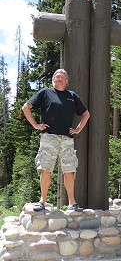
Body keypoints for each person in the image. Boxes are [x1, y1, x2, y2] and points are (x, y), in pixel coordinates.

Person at [22, 69, 90, 212]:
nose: (59, 79)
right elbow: (26, 107)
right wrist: (35, 125)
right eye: (57, 77)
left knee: (69, 170)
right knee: (45, 169)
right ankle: (42, 201)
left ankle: (72, 203)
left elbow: (86, 114)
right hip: (49, 137)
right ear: (53, 79)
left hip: (67, 139)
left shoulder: (72, 96)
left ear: (66, 81)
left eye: (62, 77)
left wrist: (77, 129)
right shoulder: (45, 93)